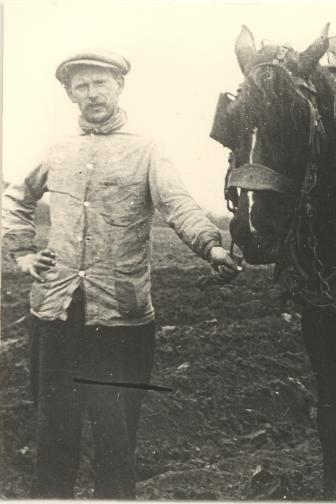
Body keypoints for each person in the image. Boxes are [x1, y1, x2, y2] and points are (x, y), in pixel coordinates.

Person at [2, 50, 243, 498]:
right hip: (56, 315)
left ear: (118, 87)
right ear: (70, 94)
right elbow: (16, 199)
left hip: (121, 323)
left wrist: (210, 246)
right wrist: (21, 253)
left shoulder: (146, 149)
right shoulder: (57, 148)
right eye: (81, 86)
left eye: (100, 83)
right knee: (53, 439)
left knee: (116, 444)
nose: (92, 94)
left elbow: (178, 205)